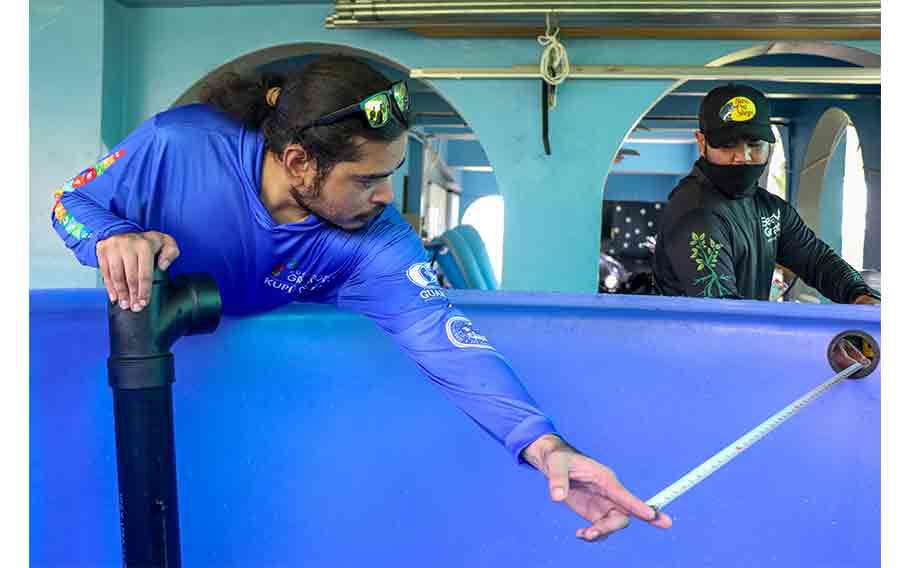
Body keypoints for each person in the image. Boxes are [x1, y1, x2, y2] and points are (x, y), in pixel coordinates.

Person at [51, 55, 671, 541]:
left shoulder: (377, 242)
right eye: (367, 180)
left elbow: (445, 339)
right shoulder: (177, 144)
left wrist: (548, 447)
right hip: (156, 394)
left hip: (270, 425)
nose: (384, 198)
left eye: (393, 176)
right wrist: (112, 235)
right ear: (299, 161)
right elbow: (68, 205)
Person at [652, 83, 881, 304]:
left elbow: (817, 260)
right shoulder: (695, 214)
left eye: (754, 144)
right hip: (695, 342)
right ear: (702, 143)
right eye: (728, 145)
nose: (743, 156)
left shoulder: (769, 209)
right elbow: (721, 313)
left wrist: (860, 294)